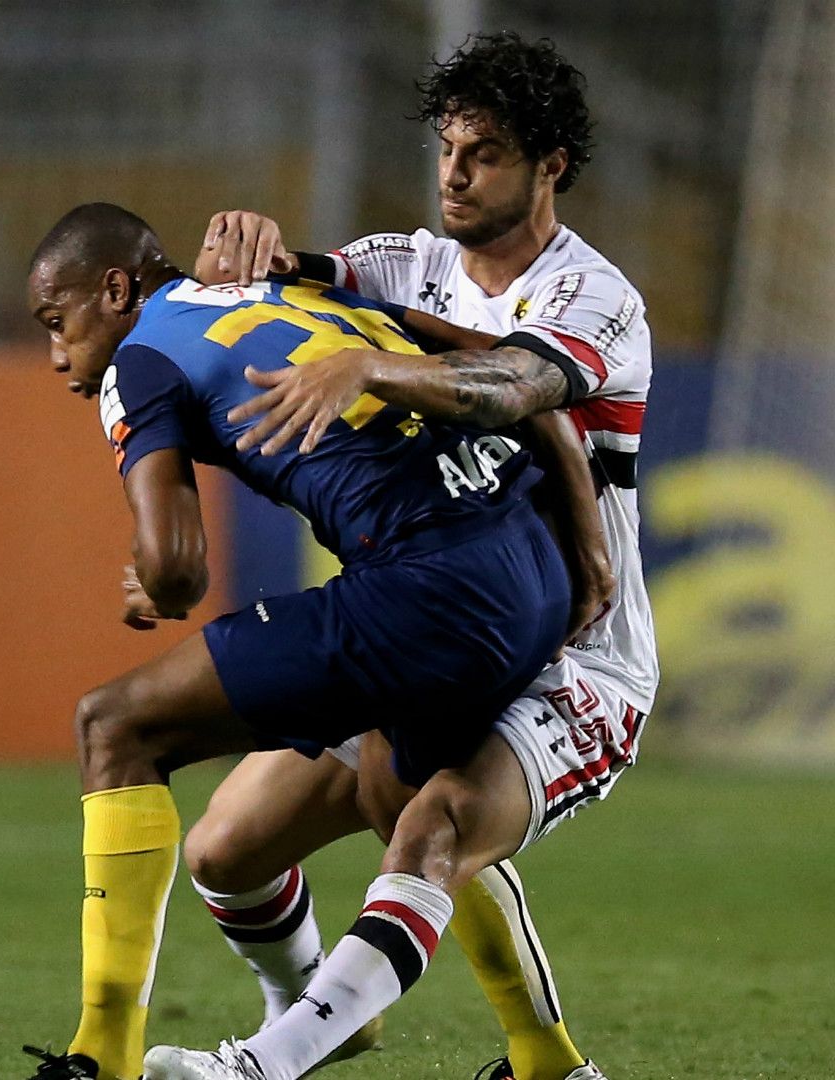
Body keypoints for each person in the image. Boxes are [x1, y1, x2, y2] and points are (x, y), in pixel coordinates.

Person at [163, 33, 650, 1080]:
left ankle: (262, 1066)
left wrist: (371, 366)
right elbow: (280, 284)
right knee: (224, 850)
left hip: (572, 658)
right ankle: (345, 1011)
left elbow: (514, 388)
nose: (455, 173)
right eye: (447, 147)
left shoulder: (593, 297)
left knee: (432, 827)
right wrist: (246, 252)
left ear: (551, 166)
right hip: (431, 619)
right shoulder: (404, 264)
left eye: (486, 153)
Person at [18, 202, 589, 1080]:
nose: (59, 358)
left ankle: (102, 1054)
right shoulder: (298, 293)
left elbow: (178, 569)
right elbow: (519, 374)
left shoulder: (140, 360)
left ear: (117, 288)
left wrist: (156, 582)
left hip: (430, 590)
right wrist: (589, 553)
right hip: (528, 564)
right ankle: (547, 1056)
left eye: (57, 323)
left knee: (116, 726)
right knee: (401, 804)